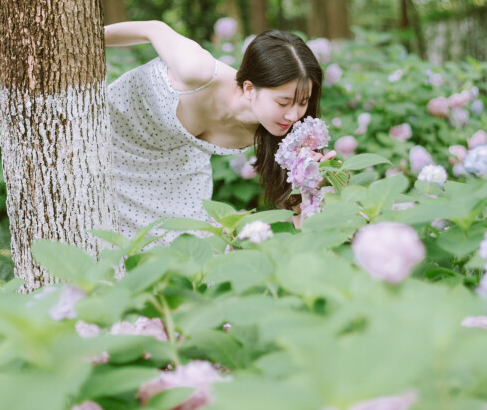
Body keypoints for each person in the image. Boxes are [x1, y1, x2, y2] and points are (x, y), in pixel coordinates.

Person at [103, 20, 325, 245]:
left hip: (175, 167)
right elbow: (153, 28)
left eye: (303, 102)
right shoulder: (196, 70)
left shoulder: (283, 132)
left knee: (183, 251)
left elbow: (299, 211)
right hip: (108, 138)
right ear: (249, 88)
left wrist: (310, 181)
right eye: (283, 102)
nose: (293, 115)